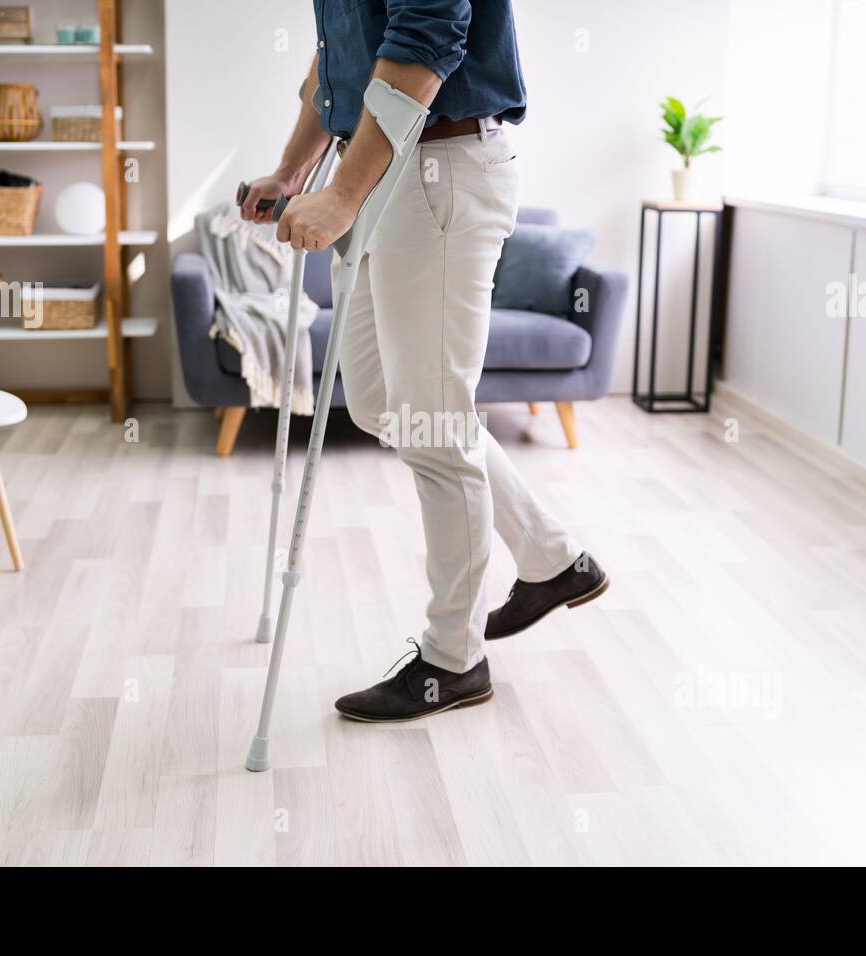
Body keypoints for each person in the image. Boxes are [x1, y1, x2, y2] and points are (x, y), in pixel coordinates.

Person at [240, 0, 608, 722]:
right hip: (383, 164)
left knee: (434, 424)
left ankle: (453, 660)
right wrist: (294, 171)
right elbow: (339, 55)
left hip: (440, 162)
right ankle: (554, 557)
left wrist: (343, 194)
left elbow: (428, 34)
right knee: (384, 406)